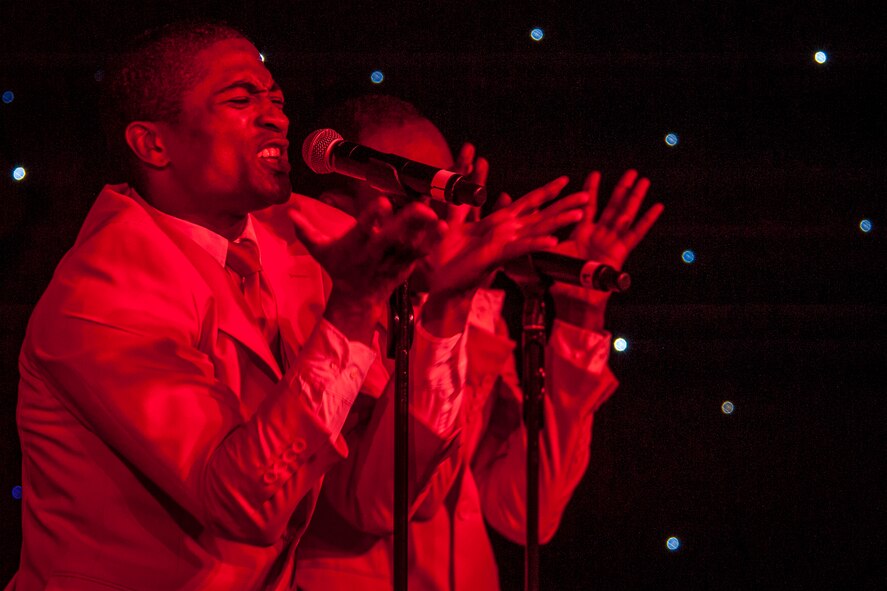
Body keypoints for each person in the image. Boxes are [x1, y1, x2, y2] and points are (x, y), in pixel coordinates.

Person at [7, 22, 589, 591]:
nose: (277, 116)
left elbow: (380, 490)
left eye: (277, 98)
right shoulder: (104, 288)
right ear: (153, 143)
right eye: (241, 98)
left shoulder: (291, 240)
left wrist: (448, 311)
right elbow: (244, 503)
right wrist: (353, 312)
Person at [290, 95, 664, 590]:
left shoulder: (474, 309)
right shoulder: (311, 304)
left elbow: (525, 512)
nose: (443, 217)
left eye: (446, 188)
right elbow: (375, 506)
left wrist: (577, 316)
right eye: (415, 195)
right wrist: (448, 304)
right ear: (338, 208)